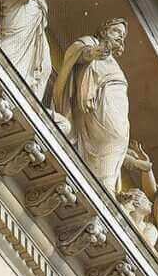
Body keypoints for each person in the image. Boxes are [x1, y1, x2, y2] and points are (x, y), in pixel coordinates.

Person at [48, 17, 132, 194]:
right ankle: (103, 186)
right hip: (96, 112)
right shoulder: (91, 43)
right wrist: (93, 53)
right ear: (104, 31)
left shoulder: (115, 64)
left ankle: (105, 186)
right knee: (107, 143)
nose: (120, 37)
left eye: (122, 35)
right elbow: (79, 52)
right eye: (116, 31)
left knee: (115, 144)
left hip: (118, 118)